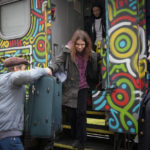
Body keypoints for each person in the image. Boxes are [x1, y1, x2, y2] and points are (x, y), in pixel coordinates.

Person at [49, 29, 92, 150]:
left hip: (83, 87)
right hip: (70, 87)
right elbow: (57, 62)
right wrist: (50, 69)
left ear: (86, 44)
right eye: (77, 44)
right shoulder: (67, 51)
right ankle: (75, 135)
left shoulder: (89, 52)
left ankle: (81, 139)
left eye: (82, 44)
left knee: (81, 113)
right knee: (72, 114)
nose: (79, 47)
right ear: (73, 43)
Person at [0, 57, 51, 150]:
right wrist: (45, 70)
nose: (25, 71)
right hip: (9, 136)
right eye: (23, 69)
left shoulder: (2, 79)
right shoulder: (12, 78)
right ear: (16, 69)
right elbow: (29, 76)